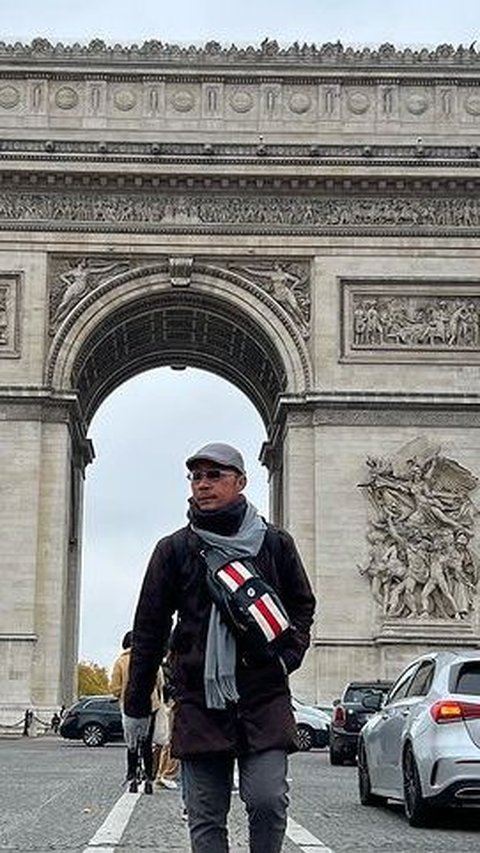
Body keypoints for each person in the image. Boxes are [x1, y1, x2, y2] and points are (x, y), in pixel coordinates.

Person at [123, 442, 315, 853]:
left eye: (215, 475)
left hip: (264, 695)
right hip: (198, 702)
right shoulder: (173, 549)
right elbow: (149, 630)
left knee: (268, 800)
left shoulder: (276, 544)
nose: (203, 485)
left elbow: (303, 605)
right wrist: (136, 705)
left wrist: (287, 659)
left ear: (241, 481)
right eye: (196, 477)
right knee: (205, 816)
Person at [110, 630, 162, 794]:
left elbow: (114, 688)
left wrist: (122, 695)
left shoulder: (120, 661)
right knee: (147, 744)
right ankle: (148, 779)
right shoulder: (151, 658)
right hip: (150, 706)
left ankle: (132, 778)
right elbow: (160, 682)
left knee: (131, 745)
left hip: (129, 707)